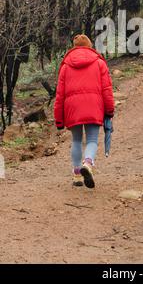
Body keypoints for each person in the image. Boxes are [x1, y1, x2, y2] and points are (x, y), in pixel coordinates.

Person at [54, 35, 115, 188]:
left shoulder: (66, 66)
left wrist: (59, 119)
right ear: (89, 46)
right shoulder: (99, 63)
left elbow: (59, 94)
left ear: (74, 47)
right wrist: (109, 110)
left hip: (72, 108)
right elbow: (107, 90)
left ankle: (76, 175)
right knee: (92, 140)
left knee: (75, 140)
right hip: (94, 106)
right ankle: (87, 163)